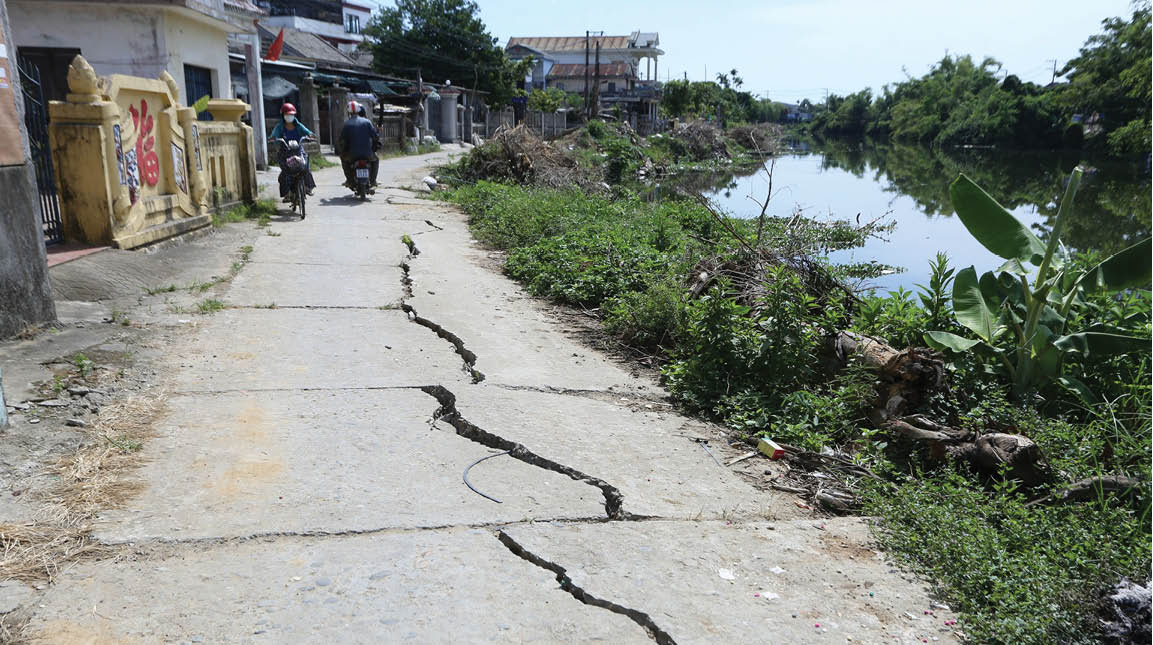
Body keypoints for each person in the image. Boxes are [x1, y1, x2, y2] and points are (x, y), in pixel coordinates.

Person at [270, 103, 316, 200]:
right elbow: (274, 134)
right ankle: (287, 193)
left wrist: (310, 135)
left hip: (298, 150)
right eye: (287, 115)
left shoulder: (298, 126)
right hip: (285, 152)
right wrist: (273, 138)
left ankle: (308, 187)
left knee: (305, 166)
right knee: (285, 171)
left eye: (291, 114)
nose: (289, 117)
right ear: (283, 116)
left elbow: (307, 132)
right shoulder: (280, 127)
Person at [337, 100, 380, 190]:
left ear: (349, 112)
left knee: (343, 160)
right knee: (376, 160)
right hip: (367, 154)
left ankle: (349, 180)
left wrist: (340, 150)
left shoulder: (346, 124)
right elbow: (375, 136)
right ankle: (373, 181)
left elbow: (341, 140)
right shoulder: (367, 122)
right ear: (358, 110)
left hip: (352, 155)